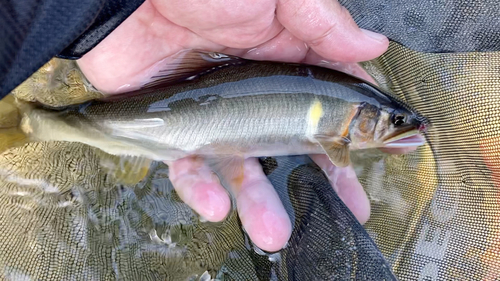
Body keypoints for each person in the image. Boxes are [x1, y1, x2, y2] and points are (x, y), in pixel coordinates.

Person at [73, 0, 419, 253]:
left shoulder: (342, 108)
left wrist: (102, 17)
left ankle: (53, 121)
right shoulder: (337, 141)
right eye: (396, 121)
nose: (401, 127)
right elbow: (338, 156)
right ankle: (44, 122)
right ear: (362, 115)